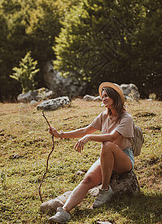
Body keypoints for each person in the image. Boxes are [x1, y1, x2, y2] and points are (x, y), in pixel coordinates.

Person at [48, 82, 135, 223]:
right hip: (107, 157)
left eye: (107, 95)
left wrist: (89, 138)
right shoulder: (104, 116)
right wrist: (60, 134)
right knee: (87, 180)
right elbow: (84, 130)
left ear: (115, 97)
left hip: (124, 159)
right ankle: (64, 212)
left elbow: (113, 137)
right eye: (103, 96)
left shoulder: (126, 118)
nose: (104, 98)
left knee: (107, 144)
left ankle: (105, 189)